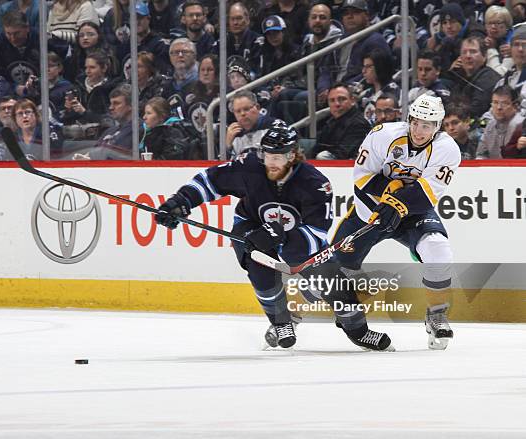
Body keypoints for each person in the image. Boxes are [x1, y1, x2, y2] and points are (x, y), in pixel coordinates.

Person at [154, 123, 393, 351]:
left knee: (329, 280)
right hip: (251, 225)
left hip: (300, 236)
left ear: (293, 156)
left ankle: (358, 330)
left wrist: (282, 236)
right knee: (256, 261)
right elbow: (210, 181)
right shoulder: (249, 167)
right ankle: (281, 322)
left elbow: (317, 233)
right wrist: (180, 202)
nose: (271, 162)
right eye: (267, 155)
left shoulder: (316, 184)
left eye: (277, 156)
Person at [331, 94, 461, 350]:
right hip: (369, 210)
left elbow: (426, 193)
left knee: (439, 250)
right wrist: (385, 204)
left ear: (438, 126)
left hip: (413, 213)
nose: (419, 130)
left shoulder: (448, 149)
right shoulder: (382, 135)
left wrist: (396, 205)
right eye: (415, 122)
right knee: (335, 267)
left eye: (427, 125)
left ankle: (436, 315)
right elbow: (362, 178)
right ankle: (303, 317)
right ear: (409, 119)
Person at [74, 84, 139, 160]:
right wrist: (84, 158)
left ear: (131, 105)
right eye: (111, 103)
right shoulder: (110, 131)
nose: (110, 108)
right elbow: (93, 153)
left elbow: (120, 158)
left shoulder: (138, 130)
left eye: (116, 103)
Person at [312, 82, 370, 159]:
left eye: (342, 99)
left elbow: (343, 154)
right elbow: (317, 148)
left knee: (322, 157)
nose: (337, 104)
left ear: (353, 101)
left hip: (349, 167)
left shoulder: (359, 124)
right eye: (332, 100)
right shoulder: (330, 122)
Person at [449, 36, 502, 119]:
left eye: (473, 52)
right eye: (464, 52)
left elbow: (477, 110)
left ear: (484, 56)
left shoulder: (488, 77)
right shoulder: (461, 78)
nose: (468, 56)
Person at [225, 90, 281, 158]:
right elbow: (226, 166)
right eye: (238, 111)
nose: (242, 114)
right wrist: (228, 146)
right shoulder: (234, 134)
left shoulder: (276, 127)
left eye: (246, 109)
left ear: (257, 107)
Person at [476, 85, 524, 159]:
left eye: (504, 103)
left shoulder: (523, 126)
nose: (499, 107)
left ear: (515, 106)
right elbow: (481, 154)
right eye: (495, 102)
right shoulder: (489, 125)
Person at [357, 48, 401, 124]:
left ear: (380, 66)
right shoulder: (368, 93)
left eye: (368, 67)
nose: (363, 71)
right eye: (364, 67)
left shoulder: (393, 90)